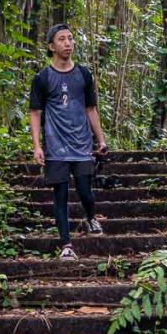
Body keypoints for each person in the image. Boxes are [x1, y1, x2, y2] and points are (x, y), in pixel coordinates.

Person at [29, 23, 108, 260]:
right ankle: (66, 244)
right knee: (60, 195)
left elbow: (91, 108)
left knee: (86, 192)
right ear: (51, 46)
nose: (68, 43)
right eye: (62, 39)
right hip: (56, 147)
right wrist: (36, 145)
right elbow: (35, 112)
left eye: (71, 39)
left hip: (82, 144)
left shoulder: (83, 74)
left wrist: (101, 140)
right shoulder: (42, 78)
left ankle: (91, 217)